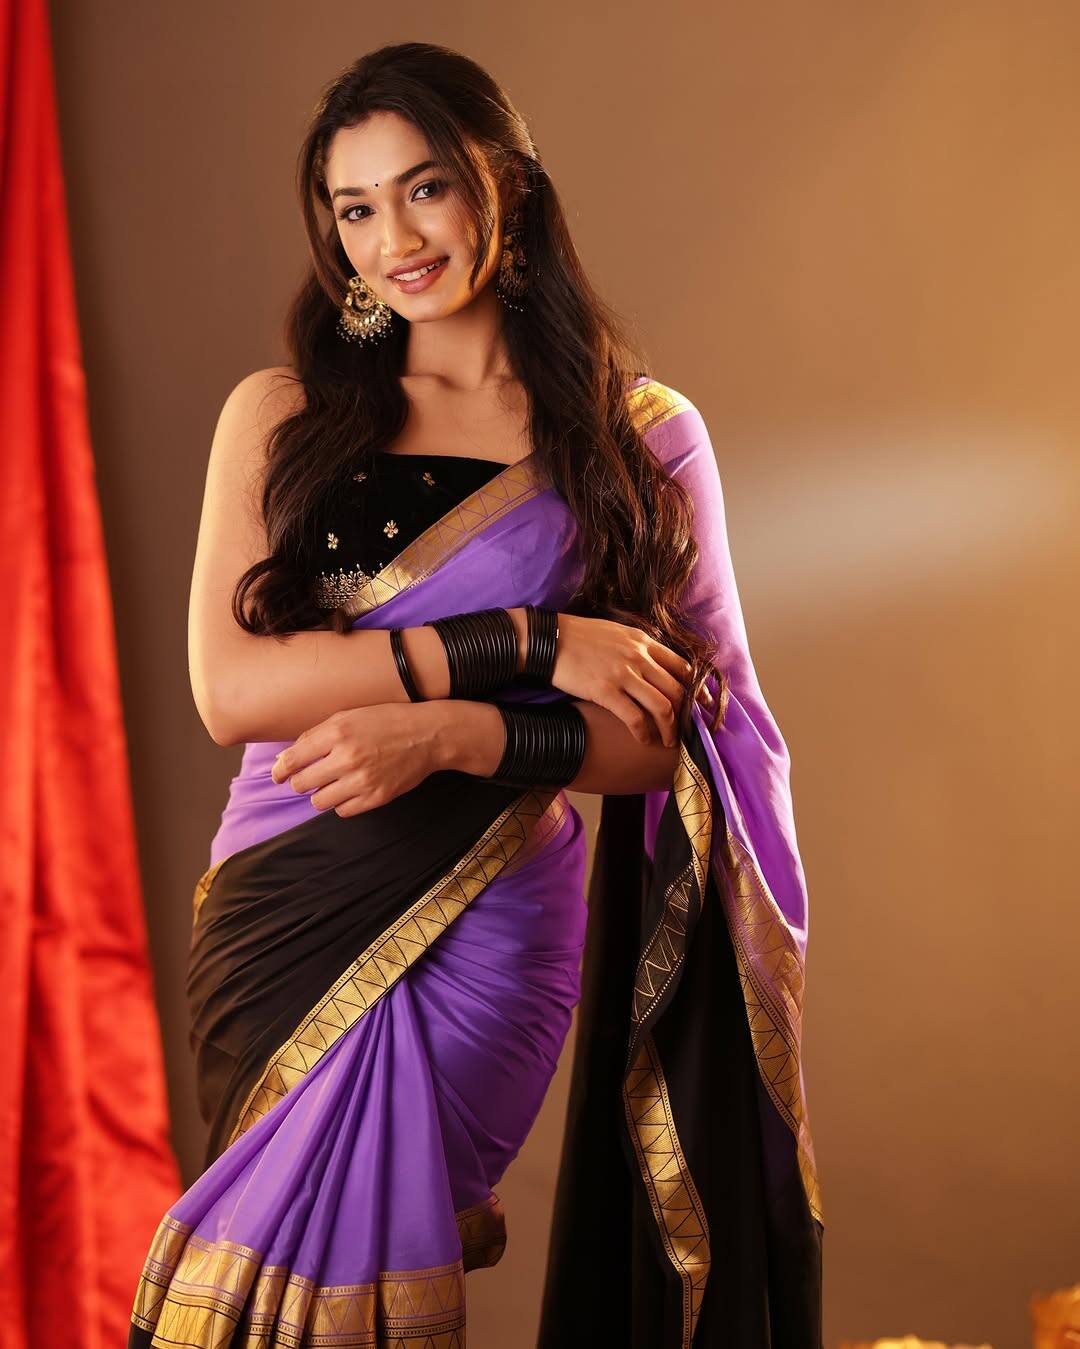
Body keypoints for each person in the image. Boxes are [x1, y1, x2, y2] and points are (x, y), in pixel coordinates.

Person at [127, 40, 823, 1349]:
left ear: (507, 180)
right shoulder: (285, 416)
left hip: (493, 920)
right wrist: (527, 639)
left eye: (426, 188)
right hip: (286, 905)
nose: (394, 240)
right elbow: (234, 689)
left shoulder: (634, 437)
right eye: (354, 208)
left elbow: (668, 741)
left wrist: (454, 732)